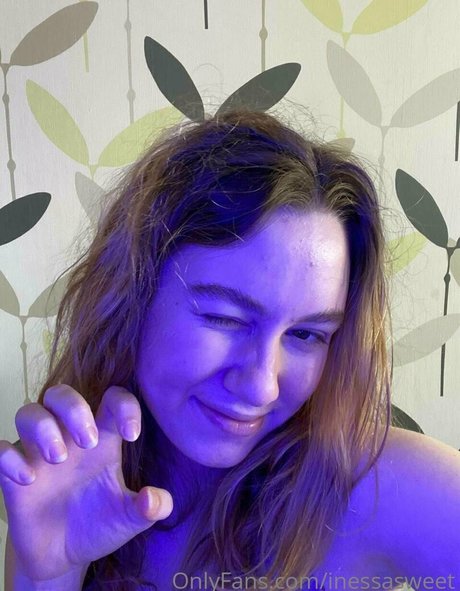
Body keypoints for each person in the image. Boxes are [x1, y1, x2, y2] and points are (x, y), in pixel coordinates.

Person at [1, 109, 459, 591]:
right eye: (225, 318)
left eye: (306, 335)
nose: (261, 386)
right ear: (134, 299)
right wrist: (47, 574)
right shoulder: (68, 486)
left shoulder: (379, 485)